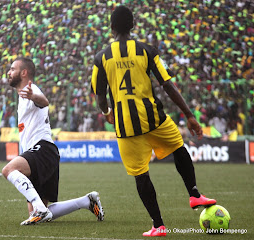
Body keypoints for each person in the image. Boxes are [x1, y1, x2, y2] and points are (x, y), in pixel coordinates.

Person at [91, 5, 216, 237]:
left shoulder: (101, 58)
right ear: (133, 25)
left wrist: (107, 110)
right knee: (179, 147)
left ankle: (158, 225)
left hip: (125, 125)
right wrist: (188, 114)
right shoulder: (148, 50)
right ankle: (194, 194)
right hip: (154, 118)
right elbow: (167, 84)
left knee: (141, 174)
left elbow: (99, 95)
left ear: (111, 28)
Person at [2, 57, 104, 225]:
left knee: (8, 170)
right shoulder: (23, 95)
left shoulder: (31, 89)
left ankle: (40, 210)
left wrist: (34, 96)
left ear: (24, 72)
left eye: (12, 69)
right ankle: (87, 201)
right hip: (44, 153)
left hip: (41, 150)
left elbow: (44, 101)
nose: (8, 72)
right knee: (37, 212)